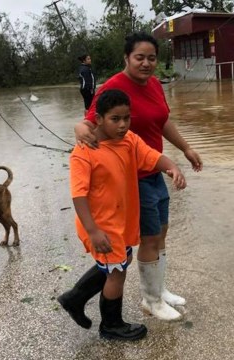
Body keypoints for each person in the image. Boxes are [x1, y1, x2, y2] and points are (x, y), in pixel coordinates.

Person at [74, 32, 203, 321]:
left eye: (152, 58)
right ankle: (151, 300)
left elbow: (163, 120)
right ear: (126, 58)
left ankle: (160, 288)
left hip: (155, 169)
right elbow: (90, 121)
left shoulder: (155, 84)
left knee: (163, 232)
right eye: (139, 58)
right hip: (133, 178)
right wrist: (79, 128)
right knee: (150, 237)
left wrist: (186, 148)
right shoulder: (114, 87)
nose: (146, 63)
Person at [58, 89, 187, 341]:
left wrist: (171, 166)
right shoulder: (84, 152)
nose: (122, 125)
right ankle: (111, 325)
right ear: (98, 119)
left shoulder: (129, 140)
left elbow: (150, 155)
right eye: (114, 119)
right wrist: (93, 231)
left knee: (116, 263)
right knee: (117, 272)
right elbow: (79, 195)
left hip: (120, 222)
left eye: (126, 118)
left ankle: (74, 298)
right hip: (100, 225)